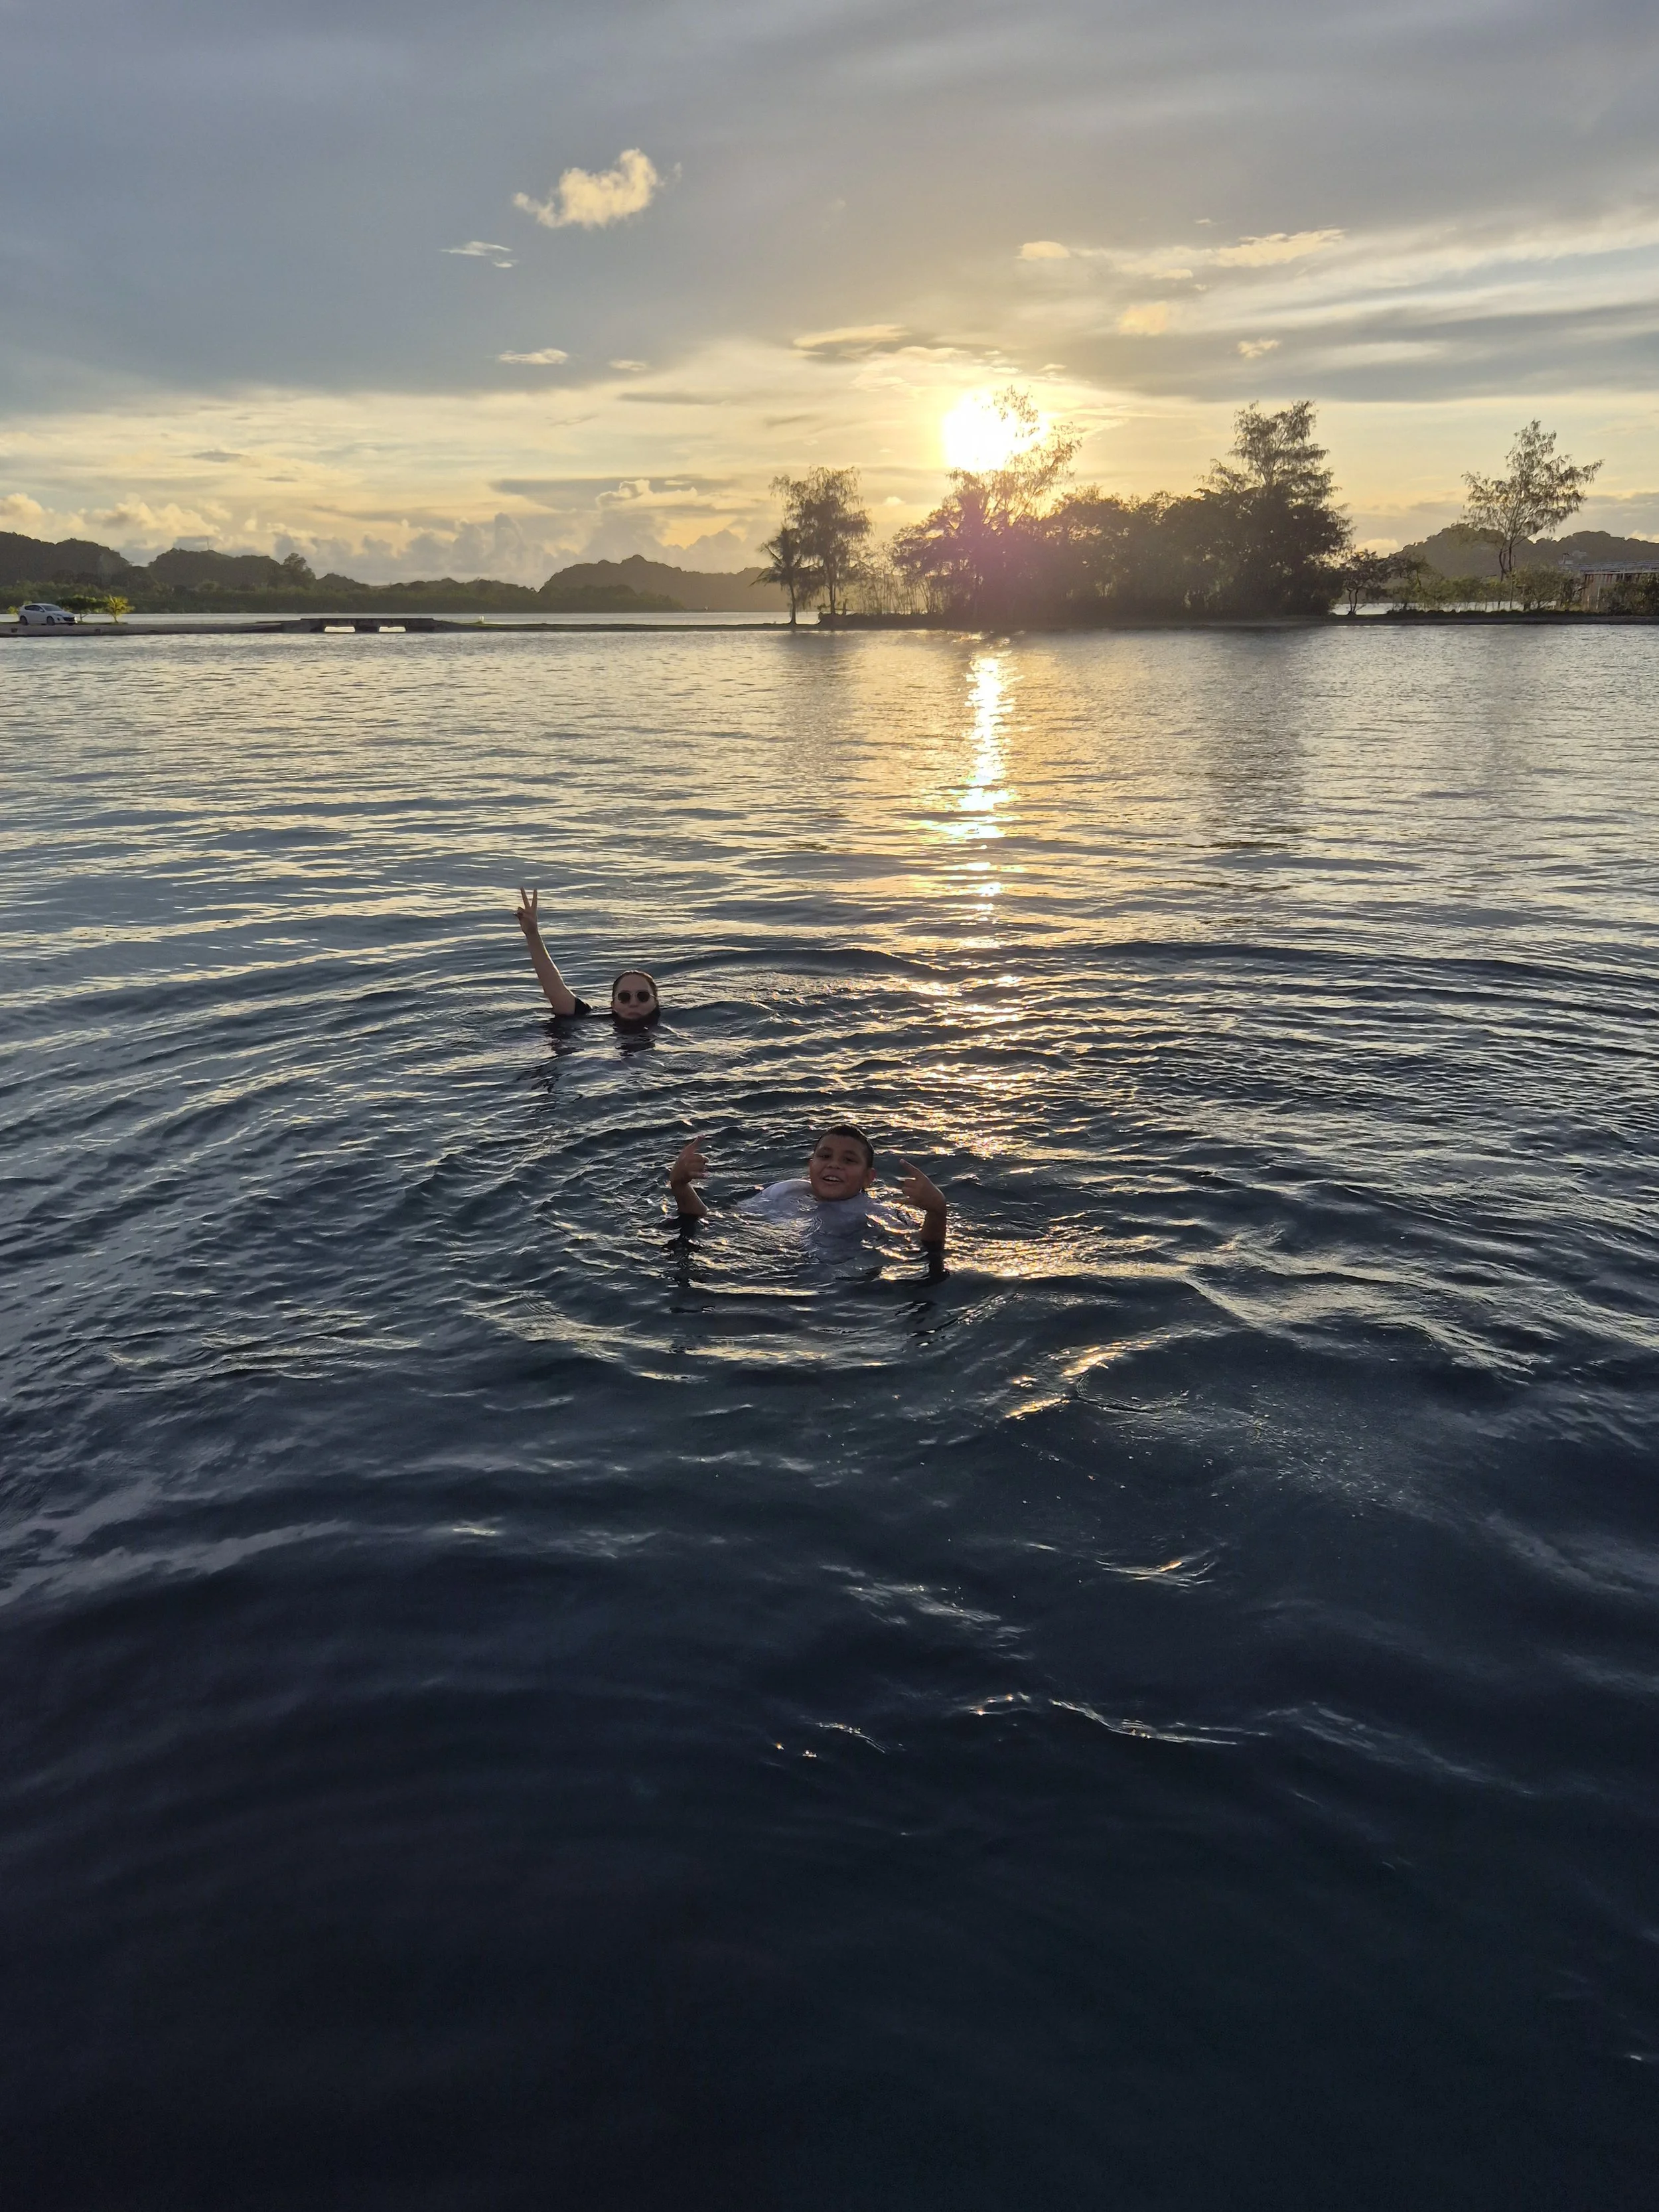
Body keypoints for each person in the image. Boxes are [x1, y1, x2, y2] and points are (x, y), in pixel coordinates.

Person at [667, 1125, 948, 1246]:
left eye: (848, 1160)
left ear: (868, 1178)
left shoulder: (878, 1213)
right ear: (810, 1165)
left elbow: (922, 1246)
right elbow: (715, 1223)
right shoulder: (787, 1191)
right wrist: (680, 1186)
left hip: (840, 1285)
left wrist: (937, 1211)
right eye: (825, 1157)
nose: (834, 1165)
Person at [514, 887, 660, 1026]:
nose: (633, 1003)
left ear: (656, 1003)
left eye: (643, 996)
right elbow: (555, 991)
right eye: (624, 997)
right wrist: (532, 935)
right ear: (613, 1005)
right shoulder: (592, 1019)